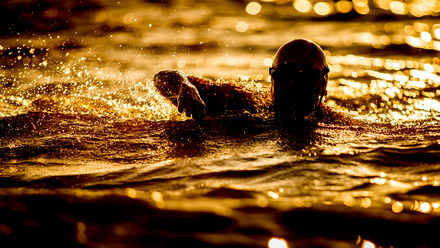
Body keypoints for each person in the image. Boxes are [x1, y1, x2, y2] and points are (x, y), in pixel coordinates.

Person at [153, 39, 336, 123]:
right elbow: (163, 78)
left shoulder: (336, 123)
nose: (293, 84)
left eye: (304, 76)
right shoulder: (243, 100)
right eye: (285, 75)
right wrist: (185, 88)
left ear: (323, 84)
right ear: (272, 79)